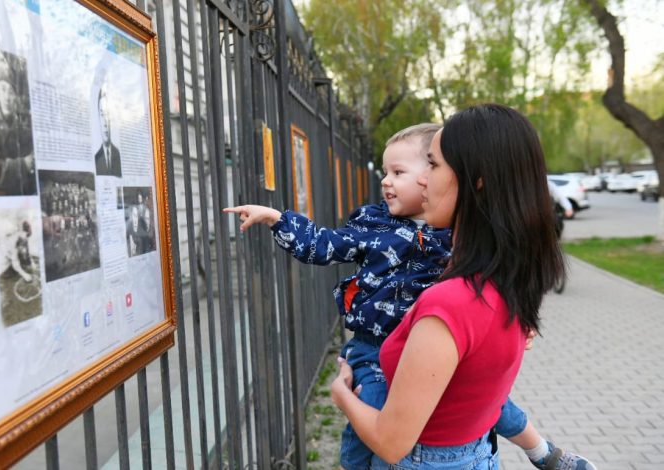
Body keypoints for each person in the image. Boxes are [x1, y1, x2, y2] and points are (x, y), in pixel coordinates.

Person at [225, 123, 593, 470]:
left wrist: (521, 322)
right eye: (386, 172)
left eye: (404, 171)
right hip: (374, 346)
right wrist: (278, 219)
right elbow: (323, 245)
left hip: (433, 354)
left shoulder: (457, 236)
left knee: (494, 403)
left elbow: (502, 280)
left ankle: (540, 450)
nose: (387, 181)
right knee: (370, 408)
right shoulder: (374, 225)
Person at [329, 105, 596, 470]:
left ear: (477, 180)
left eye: (434, 165)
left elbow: (391, 443)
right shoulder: (505, 280)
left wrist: (342, 395)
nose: (422, 180)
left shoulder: (450, 302)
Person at [0, 57, 36, 196]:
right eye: (3, 89)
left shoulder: (21, 128)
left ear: (15, 97)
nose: (7, 96)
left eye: (11, 91)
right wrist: (23, 164)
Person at [94, 85, 122, 177]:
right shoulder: (96, 158)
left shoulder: (118, 155)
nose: (105, 122)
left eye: (107, 115)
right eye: (102, 114)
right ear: (98, 118)